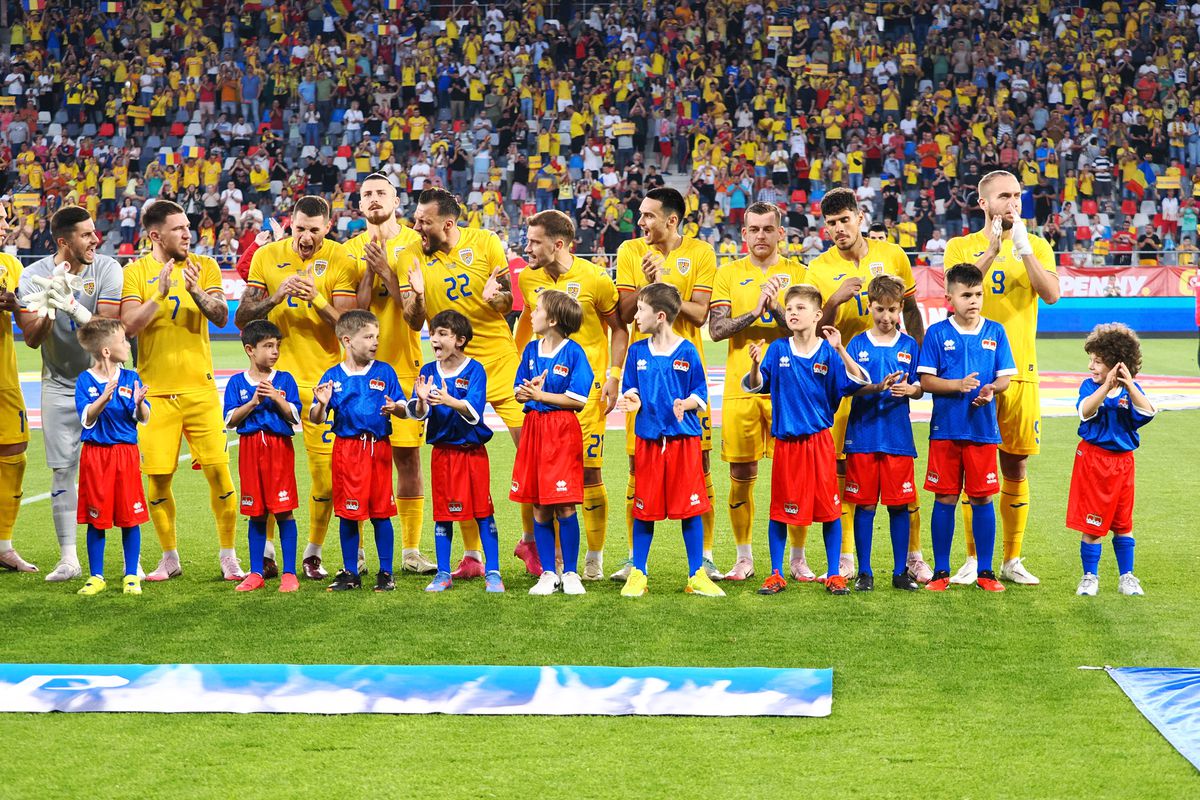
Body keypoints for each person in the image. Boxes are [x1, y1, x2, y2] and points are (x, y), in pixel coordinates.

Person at [402, 188, 532, 580]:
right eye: (415, 219)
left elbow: (508, 302)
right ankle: (473, 555)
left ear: (447, 222)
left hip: (500, 361)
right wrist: (420, 299)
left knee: (529, 452)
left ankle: (530, 540)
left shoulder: (486, 241)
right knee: (457, 459)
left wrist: (495, 298)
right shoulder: (412, 256)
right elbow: (412, 320)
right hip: (452, 370)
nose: (417, 226)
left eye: (423, 220)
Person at [943, 170, 1060, 586]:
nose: (1013, 202)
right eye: (1004, 196)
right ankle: (974, 559)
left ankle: (1012, 559)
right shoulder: (961, 246)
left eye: (1018, 195)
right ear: (984, 204)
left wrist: (1024, 248)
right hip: (971, 374)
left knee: (1016, 464)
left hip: (1021, 371)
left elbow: (1050, 294)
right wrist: (992, 249)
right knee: (970, 468)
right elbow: (955, 291)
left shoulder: (1039, 245)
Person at [807, 188, 930, 583]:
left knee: (901, 491)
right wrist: (835, 301)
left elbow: (910, 310)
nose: (839, 229)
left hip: (893, 388)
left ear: (860, 217)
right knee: (849, 482)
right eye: (831, 223)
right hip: (845, 382)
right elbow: (812, 323)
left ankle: (912, 556)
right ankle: (849, 559)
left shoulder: (892, 255)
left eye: (845, 219)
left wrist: (921, 370)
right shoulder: (819, 269)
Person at [120, 199, 244, 582]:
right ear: (156, 235)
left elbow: (223, 316)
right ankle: (170, 557)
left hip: (201, 391)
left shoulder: (204, 267)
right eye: (178, 229)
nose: (188, 233)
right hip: (154, 394)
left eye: (188, 227)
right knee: (157, 479)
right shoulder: (137, 273)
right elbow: (128, 326)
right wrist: (158, 295)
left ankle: (229, 555)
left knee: (220, 475)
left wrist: (195, 292)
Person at [236, 195, 358, 580]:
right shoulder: (266, 257)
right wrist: (274, 297)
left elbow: (349, 328)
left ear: (328, 228)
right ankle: (268, 554)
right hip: (275, 384)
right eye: (299, 229)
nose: (306, 237)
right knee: (268, 475)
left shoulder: (341, 259)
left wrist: (316, 299)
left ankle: (312, 553)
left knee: (324, 480)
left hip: (323, 384)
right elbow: (242, 318)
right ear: (290, 224)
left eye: (314, 230)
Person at [514, 210, 628, 580]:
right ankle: (550, 558)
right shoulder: (529, 278)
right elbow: (523, 327)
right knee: (541, 479)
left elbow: (618, 328)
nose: (527, 248)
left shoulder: (595, 277)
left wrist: (613, 376)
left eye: (534, 242)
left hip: (585, 394)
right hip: (541, 399)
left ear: (558, 244)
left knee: (589, 474)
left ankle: (592, 557)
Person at [614, 187, 717, 582]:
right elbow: (624, 313)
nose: (640, 222)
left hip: (685, 373)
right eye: (640, 214)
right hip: (643, 375)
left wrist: (665, 282)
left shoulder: (702, 253)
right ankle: (633, 559)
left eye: (648, 216)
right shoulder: (628, 252)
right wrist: (645, 282)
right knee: (637, 464)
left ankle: (704, 557)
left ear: (671, 220)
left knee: (700, 464)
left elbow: (701, 313)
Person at [16, 206, 124, 583]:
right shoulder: (32, 276)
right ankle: (68, 558)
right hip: (59, 383)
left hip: (104, 381)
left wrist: (73, 305)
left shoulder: (108, 268)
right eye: (86, 235)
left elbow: (111, 332)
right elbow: (31, 337)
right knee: (62, 470)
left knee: (115, 465)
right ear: (64, 241)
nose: (96, 240)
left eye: (95, 233)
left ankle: (130, 558)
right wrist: (49, 301)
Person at [743, 284, 867, 596]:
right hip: (787, 443)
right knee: (779, 511)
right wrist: (756, 365)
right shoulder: (778, 350)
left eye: (800, 308)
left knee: (829, 510)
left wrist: (840, 348)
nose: (793, 313)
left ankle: (834, 574)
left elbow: (859, 380)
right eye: (790, 308)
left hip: (820, 442)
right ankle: (775, 573)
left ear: (817, 315)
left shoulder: (829, 352)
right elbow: (757, 387)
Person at [707, 202, 809, 580]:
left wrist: (777, 307)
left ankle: (798, 558)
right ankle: (744, 557)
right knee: (741, 472)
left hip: (790, 388)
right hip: (741, 387)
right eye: (754, 229)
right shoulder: (728, 274)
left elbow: (805, 328)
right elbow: (716, 330)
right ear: (744, 233)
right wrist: (754, 311)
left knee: (794, 474)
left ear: (780, 233)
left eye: (769, 229)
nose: (761, 236)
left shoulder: (798, 272)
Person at [344, 173, 434, 575]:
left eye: (381, 192)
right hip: (357, 373)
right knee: (357, 461)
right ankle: (358, 554)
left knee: (408, 459)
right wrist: (368, 269)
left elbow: (417, 316)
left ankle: (410, 551)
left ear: (396, 200)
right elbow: (353, 314)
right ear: (359, 206)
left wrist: (388, 273)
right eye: (367, 195)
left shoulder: (415, 244)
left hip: (404, 362)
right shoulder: (350, 249)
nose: (374, 199)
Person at [616, 283, 722, 599]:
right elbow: (630, 387)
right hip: (648, 442)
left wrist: (685, 404)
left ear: (660, 316)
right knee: (643, 509)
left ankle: (697, 575)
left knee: (690, 510)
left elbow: (700, 392)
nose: (635, 316)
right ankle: (638, 573)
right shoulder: (636, 352)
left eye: (641, 310)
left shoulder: (688, 351)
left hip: (683, 442)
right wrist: (631, 400)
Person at [917, 264, 1017, 593]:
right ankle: (941, 571)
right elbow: (927, 380)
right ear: (949, 298)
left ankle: (986, 571)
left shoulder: (996, 332)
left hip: (982, 431)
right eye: (966, 295)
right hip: (946, 430)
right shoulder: (936, 334)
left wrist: (992, 389)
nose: (973, 301)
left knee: (982, 498)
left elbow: (1004, 376)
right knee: (945, 498)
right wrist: (957, 385)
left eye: (978, 294)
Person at [309, 310, 408, 592]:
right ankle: (350, 572)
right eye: (368, 337)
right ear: (347, 340)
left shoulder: (385, 371)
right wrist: (322, 404)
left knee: (381, 513)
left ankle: (386, 573)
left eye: (377, 336)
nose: (375, 342)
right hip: (347, 450)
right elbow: (316, 418)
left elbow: (402, 407)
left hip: (379, 449)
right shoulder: (332, 376)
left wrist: (396, 408)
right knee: (348, 514)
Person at [408, 310, 505, 594]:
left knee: (483, 512)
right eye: (433, 333)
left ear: (460, 340)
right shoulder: (427, 371)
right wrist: (423, 402)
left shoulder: (475, 369)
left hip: (472, 453)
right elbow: (419, 412)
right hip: (442, 453)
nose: (435, 339)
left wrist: (450, 400)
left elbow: (475, 412)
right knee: (443, 515)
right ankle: (442, 573)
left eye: (442, 334)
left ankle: (494, 572)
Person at [843, 276, 924, 592]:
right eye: (880, 309)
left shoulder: (908, 346)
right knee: (864, 505)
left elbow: (919, 386)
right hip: (862, 437)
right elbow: (848, 387)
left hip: (897, 438)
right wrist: (875, 387)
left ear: (901, 307)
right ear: (869, 306)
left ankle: (900, 572)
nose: (886, 317)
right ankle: (865, 572)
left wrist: (911, 390)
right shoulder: (857, 344)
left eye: (892, 309)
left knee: (899, 505)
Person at [511, 290, 593, 596]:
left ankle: (570, 572)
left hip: (561, 432)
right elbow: (519, 392)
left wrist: (540, 395)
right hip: (534, 429)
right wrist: (528, 391)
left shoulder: (574, 353)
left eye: (537, 310)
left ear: (554, 319)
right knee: (539, 503)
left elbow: (577, 400)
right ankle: (548, 573)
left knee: (565, 503)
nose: (531, 314)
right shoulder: (531, 350)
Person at [1070, 324, 1155, 597]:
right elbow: (1085, 410)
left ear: (1117, 363)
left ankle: (1126, 576)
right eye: (1091, 360)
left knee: (1123, 523)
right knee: (1092, 524)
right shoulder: (1090, 387)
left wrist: (1128, 385)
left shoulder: (1132, 391)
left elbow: (1148, 412)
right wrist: (1105, 386)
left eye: (1097, 361)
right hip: (1094, 461)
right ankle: (1089, 576)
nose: (1090, 366)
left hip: (1123, 464)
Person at [72, 318, 151, 596]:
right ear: (106, 351)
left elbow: (143, 418)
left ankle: (131, 575)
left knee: (130, 517)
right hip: (95, 456)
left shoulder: (131, 378)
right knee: (97, 518)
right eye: (122, 341)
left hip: (126, 454)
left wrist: (140, 403)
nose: (128, 345)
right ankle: (97, 576)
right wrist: (103, 399)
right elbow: (87, 418)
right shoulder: (85, 380)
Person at [223, 320, 302, 593]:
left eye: (277, 346)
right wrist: (253, 402)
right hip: (250, 449)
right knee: (256, 513)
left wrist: (277, 399)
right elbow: (230, 420)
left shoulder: (285, 380)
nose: (274, 351)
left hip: (279, 450)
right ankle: (256, 572)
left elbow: (295, 416)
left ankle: (290, 573)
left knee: (284, 511)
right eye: (268, 346)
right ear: (250, 350)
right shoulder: (236, 383)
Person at [0, 203, 34, 572]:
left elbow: (30, 324)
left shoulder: (11, 266)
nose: (5, 225)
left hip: (4, 376)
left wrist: (16, 306)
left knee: (14, 449)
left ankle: (3, 544)